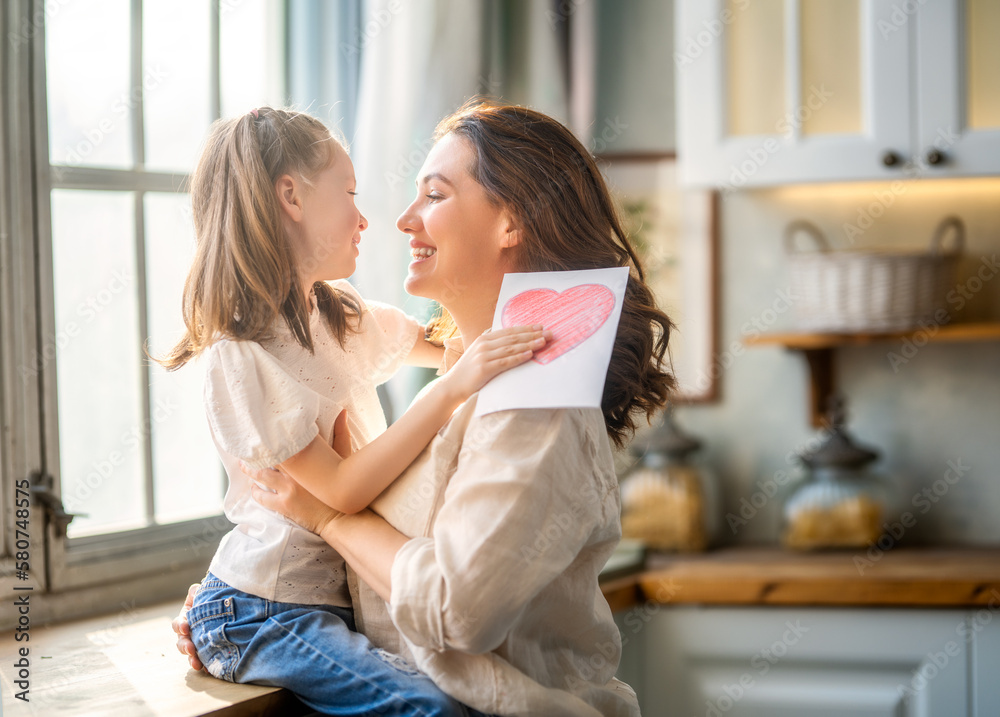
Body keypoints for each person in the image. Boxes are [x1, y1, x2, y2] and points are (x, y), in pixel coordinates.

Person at [174, 101, 674, 717]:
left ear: (510, 222)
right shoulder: (473, 380)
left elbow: (449, 607)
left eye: (434, 195)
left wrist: (325, 523)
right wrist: (238, 606)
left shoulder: (533, 402)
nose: (402, 220)